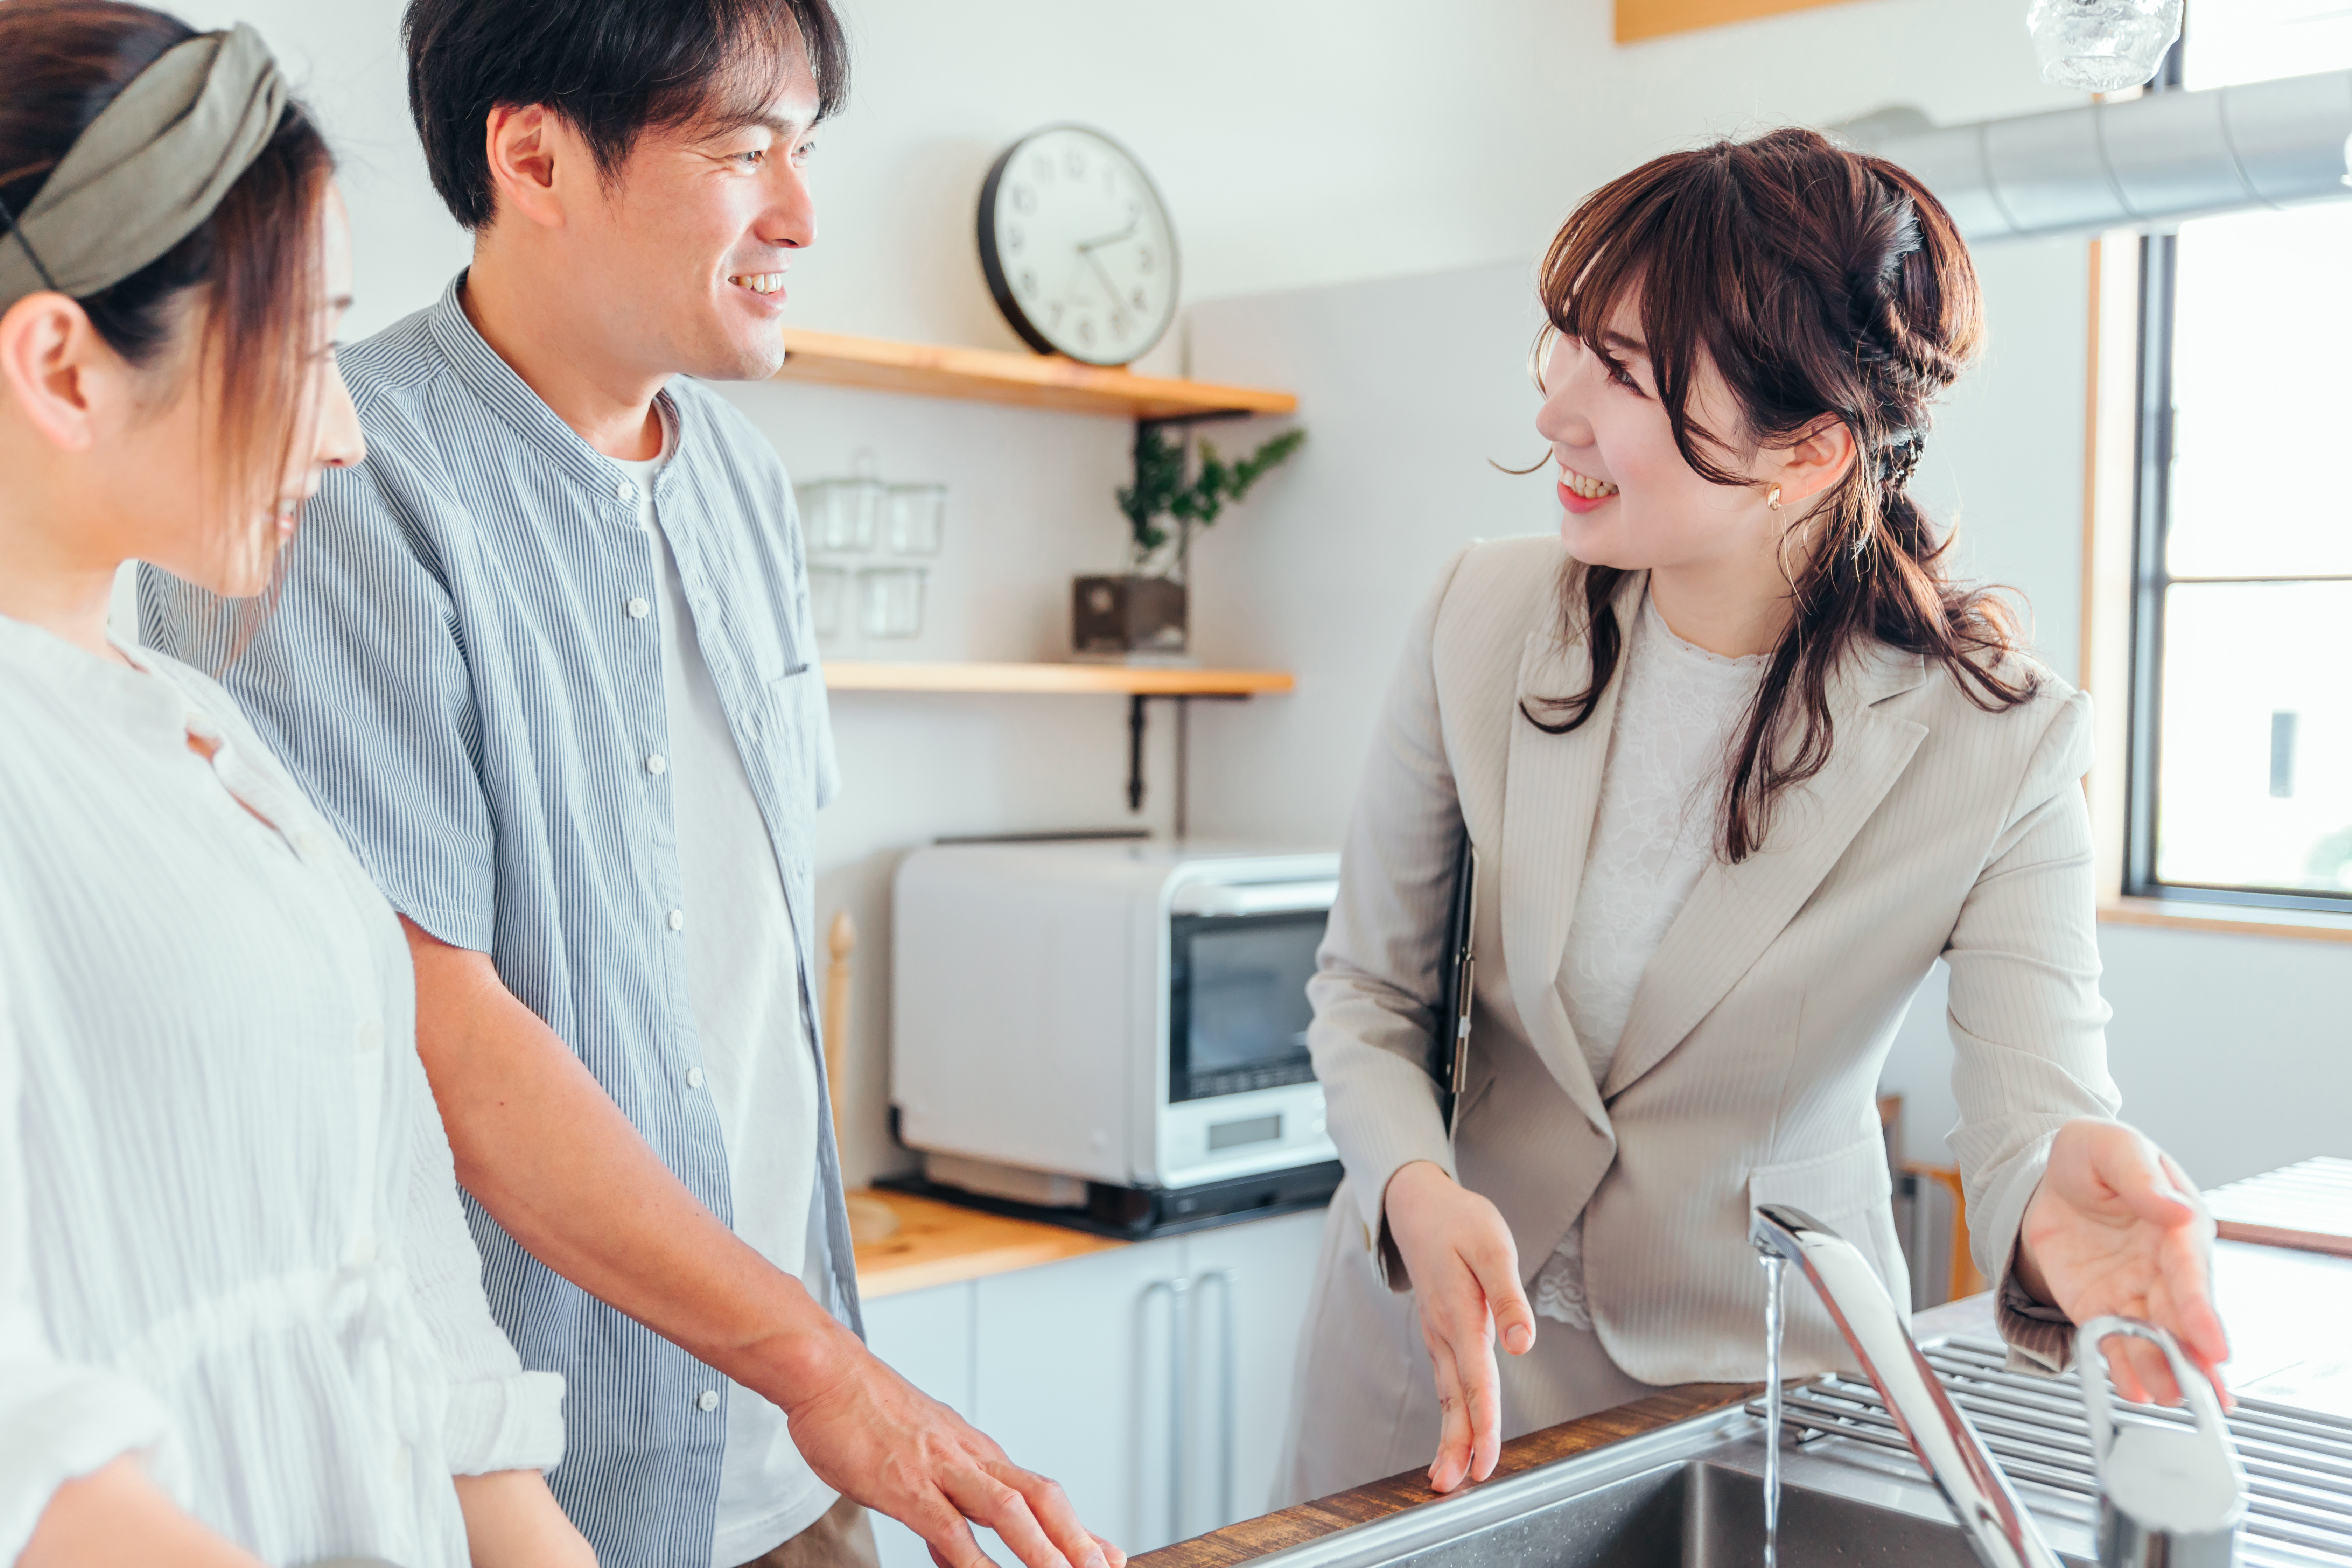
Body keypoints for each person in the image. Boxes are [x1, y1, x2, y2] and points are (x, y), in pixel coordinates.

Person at [143, 3, 1121, 1567]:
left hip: (800, 1455)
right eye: (744, 153)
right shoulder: (340, 482)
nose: (800, 215)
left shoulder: (743, 478)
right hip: (535, 1475)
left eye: (805, 151)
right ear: (534, 157)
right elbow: (429, 1034)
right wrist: (813, 1356)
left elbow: (747, 957)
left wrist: (817, 1364)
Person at [1280, 128, 2230, 1505]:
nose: (1557, 411)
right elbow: (1367, 990)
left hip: (1745, 1397)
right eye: (1567, 345)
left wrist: (2051, 1209)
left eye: (1625, 375)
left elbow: (2036, 1116)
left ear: (1808, 449)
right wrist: (1415, 1192)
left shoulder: (2001, 741)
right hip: (1426, 1356)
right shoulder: (1478, 613)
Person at [0, 7, 594, 1567]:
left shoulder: (205, 733)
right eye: (306, 348)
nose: (342, 435)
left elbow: (403, 1286)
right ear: (62, 363)